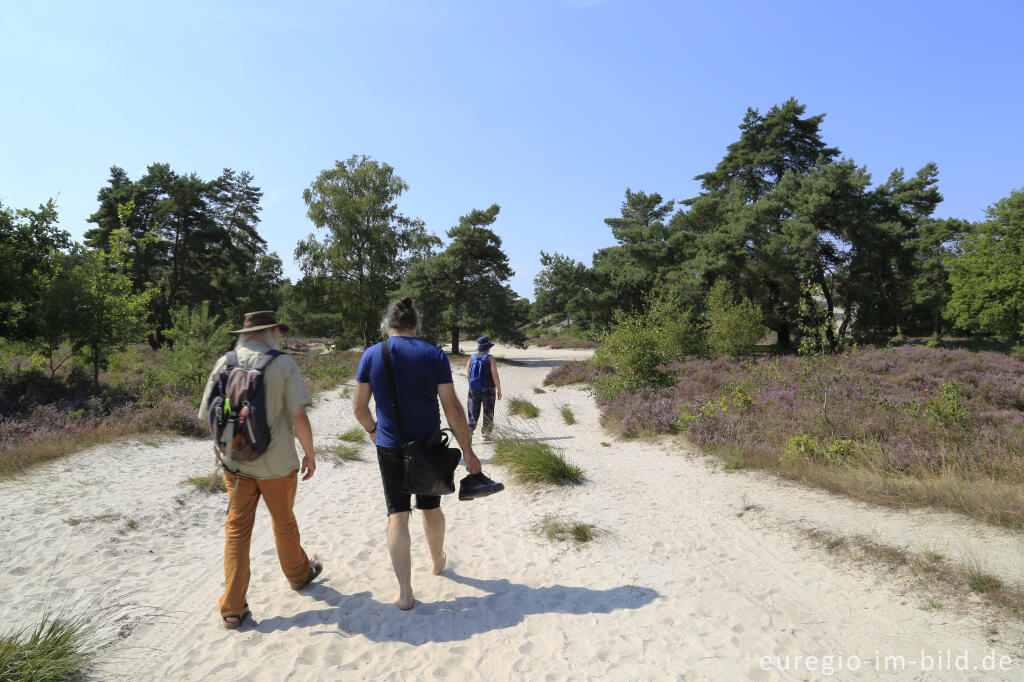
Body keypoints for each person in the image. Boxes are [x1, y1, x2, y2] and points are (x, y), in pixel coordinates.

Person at [352, 297, 482, 610]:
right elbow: (451, 406)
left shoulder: (372, 355)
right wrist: (468, 450)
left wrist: (373, 430)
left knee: (397, 515)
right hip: (427, 446)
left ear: (388, 324)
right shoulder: (433, 354)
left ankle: (405, 593)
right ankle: (438, 563)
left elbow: (359, 407)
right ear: (416, 324)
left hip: (389, 446)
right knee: (431, 506)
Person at [198, 310, 323, 629]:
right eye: (276, 332)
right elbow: (298, 416)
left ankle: (232, 607)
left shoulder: (224, 362)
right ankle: (298, 575)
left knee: (237, 530)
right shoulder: (282, 363)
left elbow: (206, 414)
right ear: (269, 334)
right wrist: (309, 454)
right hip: (277, 464)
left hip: (235, 462)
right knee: (283, 522)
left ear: (244, 334)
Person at [465, 336, 502, 441]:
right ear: (488, 348)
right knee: (488, 411)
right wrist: (499, 390)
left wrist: (474, 385)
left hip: (473, 389)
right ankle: (486, 435)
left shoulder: (471, 358)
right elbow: (495, 375)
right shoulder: (490, 358)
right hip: (488, 389)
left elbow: (467, 375)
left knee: (473, 411)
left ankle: (469, 432)